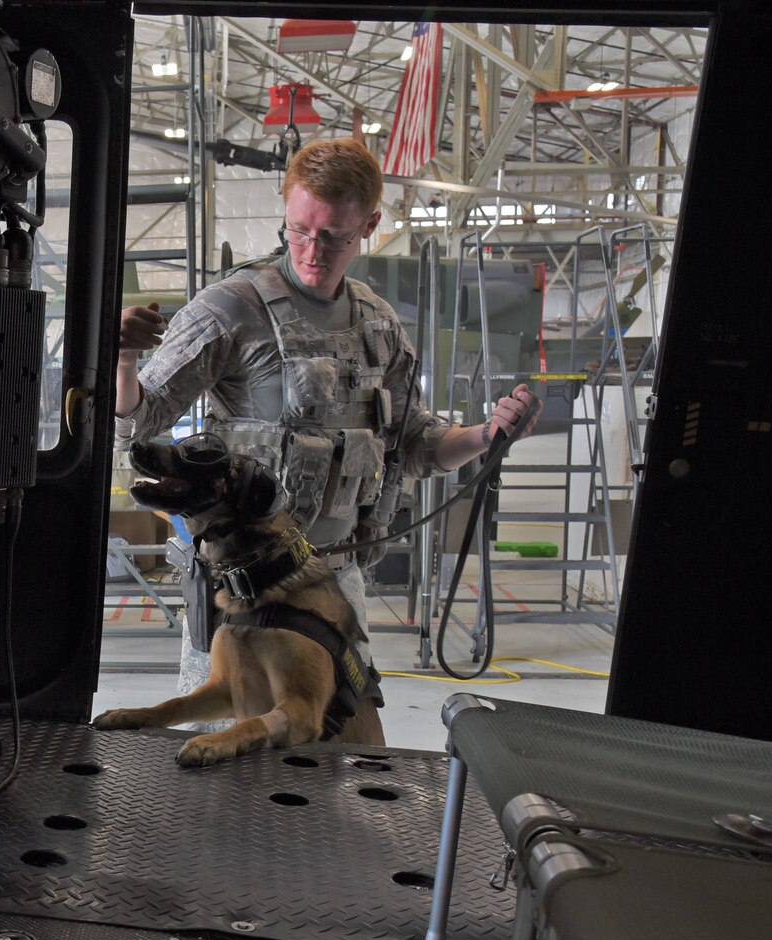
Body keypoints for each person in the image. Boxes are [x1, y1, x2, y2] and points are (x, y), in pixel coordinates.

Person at [114, 136, 540, 724]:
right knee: (229, 756)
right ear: (285, 211)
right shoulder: (231, 308)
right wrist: (124, 359)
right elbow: (139, 422)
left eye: (334, 236)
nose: (312, 250)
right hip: (240, 584)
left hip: (335, 578)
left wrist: (485, 437)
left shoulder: (379, 323)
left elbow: (412, 443)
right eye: (298, 230)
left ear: (368, 225)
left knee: (342, 747)